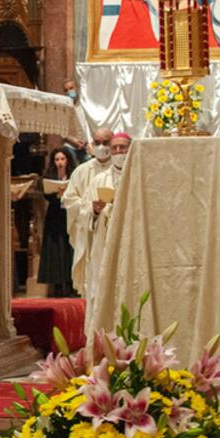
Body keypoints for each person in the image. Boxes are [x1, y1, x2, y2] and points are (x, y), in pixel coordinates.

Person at [84, 132, 132, 318]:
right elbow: (86, 215)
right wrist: (95, 211)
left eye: (123, 148)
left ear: (131, 149)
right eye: (115, 148)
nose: (118, 151)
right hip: (104, 244)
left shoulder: (138, 178)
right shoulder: (99, 180)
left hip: (130, 242)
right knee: (104, 288)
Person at [62, 127, 113, 297]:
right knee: (92, 283)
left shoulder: (121, 170)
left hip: (114, 231)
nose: (101, 146)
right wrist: (90, 208)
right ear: (92, 143)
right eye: (97, 143)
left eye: (105, 142)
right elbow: (69, 200)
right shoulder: (81, 171)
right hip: (89, 234)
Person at [36, 147, 78, 297]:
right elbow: (47, 194)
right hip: (54, 214)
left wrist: (65, 193)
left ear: (68, 160)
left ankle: (71, 285)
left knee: (69, 247)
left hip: (69, 213)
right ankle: (57, 285)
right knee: (55, 247)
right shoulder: (50, 175)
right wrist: (57, 194)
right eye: (57, 159)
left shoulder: (74, 174)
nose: (60, 162)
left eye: (62, 159)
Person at [60, 78, 90, 165]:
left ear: (76, 88)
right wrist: (76, 142)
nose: (69, 91)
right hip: (70, 146)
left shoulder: (83, 106)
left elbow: (86, 125)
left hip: (84, 145)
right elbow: (62, 131)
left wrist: (85, 141)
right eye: (66, 90)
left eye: (71, 88)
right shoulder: (63, 109)